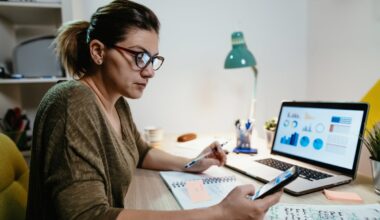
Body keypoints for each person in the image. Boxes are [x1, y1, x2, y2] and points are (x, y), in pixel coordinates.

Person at [26, 1, 282, 219]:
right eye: (139, 56)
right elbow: (88, 215)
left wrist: (193, 164)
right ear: (98, 51)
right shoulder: (73, 101)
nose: (149, 71)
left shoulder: (117, 102)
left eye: (152, 59)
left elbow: (140, 152)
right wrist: (219, 212)